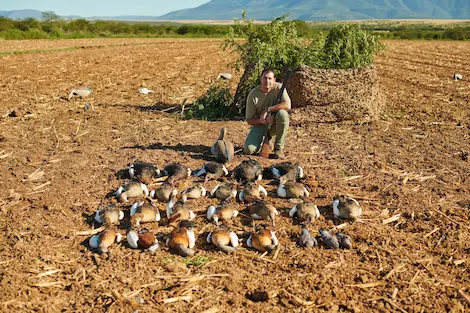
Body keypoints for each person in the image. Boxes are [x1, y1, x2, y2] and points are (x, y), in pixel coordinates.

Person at [243, 68, 291, 159]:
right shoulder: (253, 94)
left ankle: (278, 148)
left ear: (274, 80)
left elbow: (287, 105)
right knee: (248, 149)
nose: (267, 81)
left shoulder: (279, 88)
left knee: (283, 114)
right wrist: (263, 121)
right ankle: (263, 142)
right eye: (264, 78)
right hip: (261, 125)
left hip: (276, 124)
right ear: (260, 79)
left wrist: (268, 109)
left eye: (269, 78)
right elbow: (249, 120)